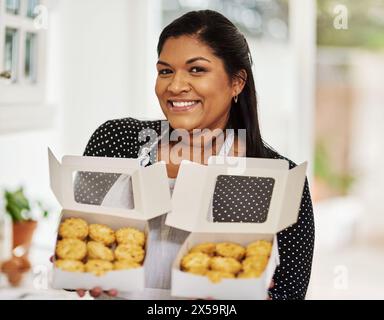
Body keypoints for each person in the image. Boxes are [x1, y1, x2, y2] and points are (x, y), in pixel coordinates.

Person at [73, 10, 314, 300]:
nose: (175, 86)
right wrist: (73, 272)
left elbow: (288, 293)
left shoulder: (278, 178)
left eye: (197, 70)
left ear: (237, 82)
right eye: (165, 71)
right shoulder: (116, 141)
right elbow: (74, 247)